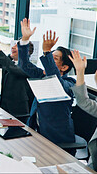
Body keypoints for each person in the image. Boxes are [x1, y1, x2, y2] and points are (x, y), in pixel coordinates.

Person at [18, 18, 76, 146]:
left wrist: (47, 52)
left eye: (54, 58)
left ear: (64, 67)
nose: (48, 60)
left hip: (57, 140)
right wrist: (25, 40)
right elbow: (24, 65)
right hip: (35, 133)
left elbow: (55, 81)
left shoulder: (70, 84)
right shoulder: (42, 75)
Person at [0, 35, 35, 123]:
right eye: (14, 45)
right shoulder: (9, 61)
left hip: (18, 112)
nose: (13, 47)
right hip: (3, 105)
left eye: (17, 46)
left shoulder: (29, 68)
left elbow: (12, 68)